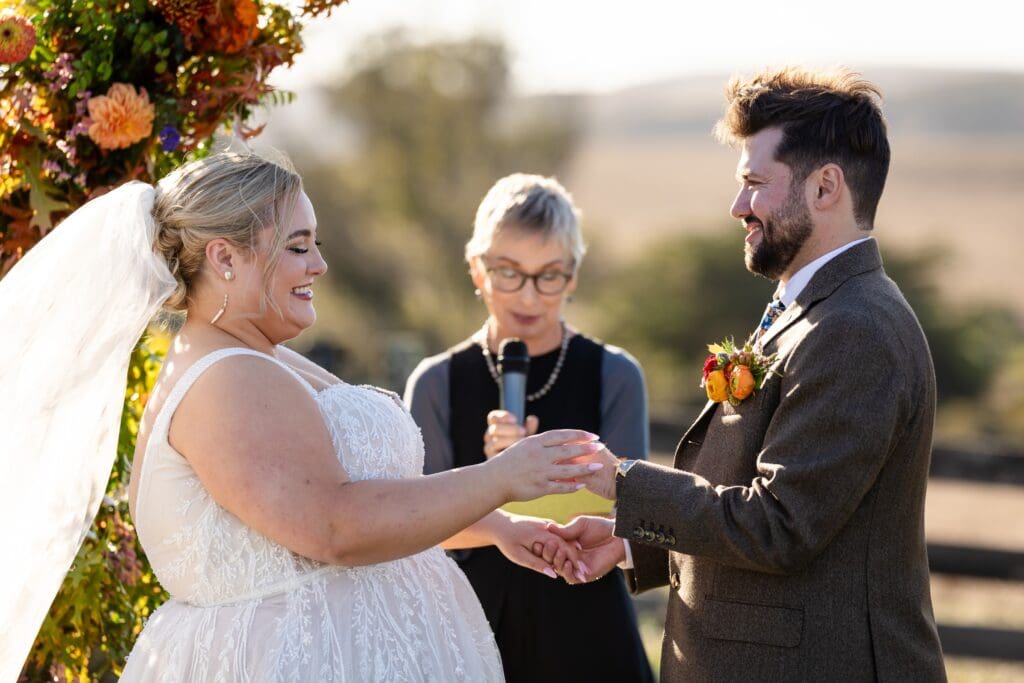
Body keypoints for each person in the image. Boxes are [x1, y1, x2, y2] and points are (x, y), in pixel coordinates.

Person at [0, 152, 606, 681]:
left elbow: (372, 495)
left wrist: (496, 526)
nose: (318, 265)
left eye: (316, 244)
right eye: (297, 246)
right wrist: (499, 477)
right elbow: (335, 527)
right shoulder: (226, 380)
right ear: (225, 257)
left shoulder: (262, 357)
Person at [555, 67, 948, 680]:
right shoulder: (814, 308)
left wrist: (624, 482)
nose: (738, 206)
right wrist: (634, 542)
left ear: (825, 187)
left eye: (755, 183)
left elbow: (781, 526)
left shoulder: (856, 328)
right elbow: (748, 493)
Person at [404, 173, 654, 683]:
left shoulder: (615, 374)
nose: (529, 296)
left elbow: (635, 512)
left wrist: (546, 474)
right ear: (477, 269)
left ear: (573, 276)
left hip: (589, 630)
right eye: (508, 273)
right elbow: (414, 523)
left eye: (549, 276)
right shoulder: (435, 382)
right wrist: (495, 479)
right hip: (472, 630)